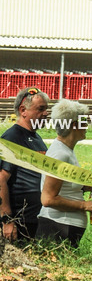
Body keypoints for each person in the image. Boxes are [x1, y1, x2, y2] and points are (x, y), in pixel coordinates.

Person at [35, 100, 92, 247]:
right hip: (57, 226)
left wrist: (83, 187)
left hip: (64, 225)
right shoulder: (60, 154)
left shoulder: (66, 150)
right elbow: (48, 199)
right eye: (84, 121)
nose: (87, 125)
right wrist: (85, 206)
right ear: (73, 125)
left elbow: (63, 185)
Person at [0, 87, 50, 245]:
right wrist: (7, 220)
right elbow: (1, 179)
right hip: (19, 222)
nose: (46, 113)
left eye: (46, 109)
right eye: (41, 109)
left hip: (36, 219)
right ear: (23, 110)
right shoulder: (11, 137)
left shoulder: (36, 138)